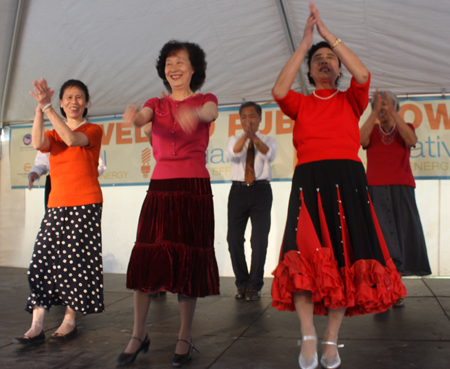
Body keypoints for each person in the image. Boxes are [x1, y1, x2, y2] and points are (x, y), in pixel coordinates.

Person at [270, 3, 406, 369]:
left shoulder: (352, 99)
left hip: (348, 182)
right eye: (319, 60)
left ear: (338, 68)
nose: (325, 61)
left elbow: (364, 74)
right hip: (309, 183)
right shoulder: (300, 103)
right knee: (300, 258)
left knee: (344, 262)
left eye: (331, 58)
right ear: (310, 71)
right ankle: (308, 334)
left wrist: (329, 37)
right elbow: (278, 88)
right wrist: (305, 45)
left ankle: (330, 339)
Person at [116, 40, 220, 368]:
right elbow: (143, 117)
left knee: (187, 259)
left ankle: (185, 335)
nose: (173, 68)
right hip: (160, 188)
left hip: (193, 188)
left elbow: (211, 112)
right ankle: (137, 334)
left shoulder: (206, 99)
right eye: (169, 63)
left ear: (194, 69)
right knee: (149, 256)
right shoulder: (155, 104)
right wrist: (134, 118)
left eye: (181, 62)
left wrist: (195, 112)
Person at [13, 78, 104, 344]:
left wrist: (48, 108)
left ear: (86, 103)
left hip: (85, 203)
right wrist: (40, 108)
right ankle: (37, 324)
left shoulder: (94, 129)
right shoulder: (52, 132)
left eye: (78, 97)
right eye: (68, 97)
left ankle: (69, 320)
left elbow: (72, 138)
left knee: (74, 262)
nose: (73, 102)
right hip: (56, 204)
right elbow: (38, 142)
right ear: (62, 102)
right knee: (41, 260)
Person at [360, 90, 431, 307]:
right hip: (375, 188)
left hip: (402, 187)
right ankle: (383, 287)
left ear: (395, 106)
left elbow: (411, 141)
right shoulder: (371, 129)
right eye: (378, 105)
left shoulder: (405, 127)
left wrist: (392, 113)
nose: (382, 109)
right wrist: (374, 112)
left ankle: (396, 288)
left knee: (401, 237)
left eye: (386, 105)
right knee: (381, 239)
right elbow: (360, 140)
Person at [226, 101, 277, 301]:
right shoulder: (233, 139)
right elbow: (233, 153)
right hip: (238, 191)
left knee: (259, 240)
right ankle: (242, 283)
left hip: (261, 191)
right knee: (233, 239)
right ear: (240, 120)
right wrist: (246, 137)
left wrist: (253, 137)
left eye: (252, 116)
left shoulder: (268, 139)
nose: (248, 121)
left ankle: (254, 286)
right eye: (244, 117)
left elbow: (269, 154)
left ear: (259, 118)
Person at [28, 151, 106, 208]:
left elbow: (100, 166)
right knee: (54, 226)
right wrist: (35, 172)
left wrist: (82, 175)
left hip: (81, 186)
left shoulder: (87, 133)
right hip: (55, 185)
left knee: (80, 227)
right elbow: (42, 162)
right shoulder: (52, 135)